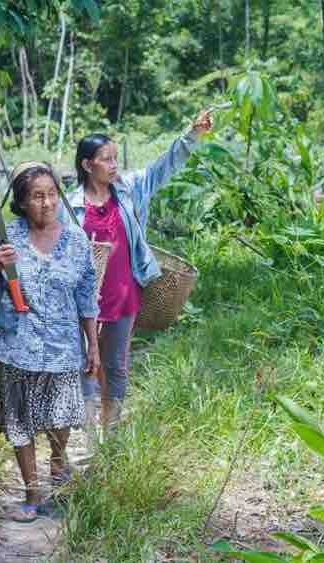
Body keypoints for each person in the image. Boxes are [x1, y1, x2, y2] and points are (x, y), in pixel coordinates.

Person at [66, 111, 213, 435]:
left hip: (123, 293)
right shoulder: (71, 206)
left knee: (116, 365)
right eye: (106, 159)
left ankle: (111, 434)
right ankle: (88, 439)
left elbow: (163, 167)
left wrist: (192, 134)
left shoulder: (129, 190)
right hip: (84, 300)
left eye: (116, 158)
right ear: (88, 165)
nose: (114, 165)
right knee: (86, 363)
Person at [0, 161, 101, 523]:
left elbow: (86, 298)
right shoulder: (5, 237)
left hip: (62, 347)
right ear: (21, 202)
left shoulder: (76, 239)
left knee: (60, 415)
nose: (46, 203)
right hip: (16, 346)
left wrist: (92, 345)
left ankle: (59, 462)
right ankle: (32, 492)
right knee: (19, 421)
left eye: (51, 195)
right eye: (37, 196)